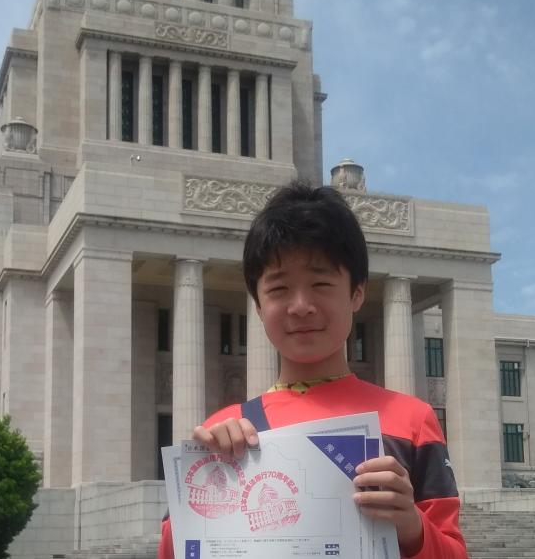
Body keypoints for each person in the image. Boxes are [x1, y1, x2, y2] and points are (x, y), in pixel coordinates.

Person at [158, 182, 467, 559]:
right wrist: (204, 480)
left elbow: (454, 550)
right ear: (257, 304)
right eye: (279, 289)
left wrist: (412, 528)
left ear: (356, 293)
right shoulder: (226, 431)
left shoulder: (411, 421)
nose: (300, 305)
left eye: (321, 283)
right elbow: (175, 550)